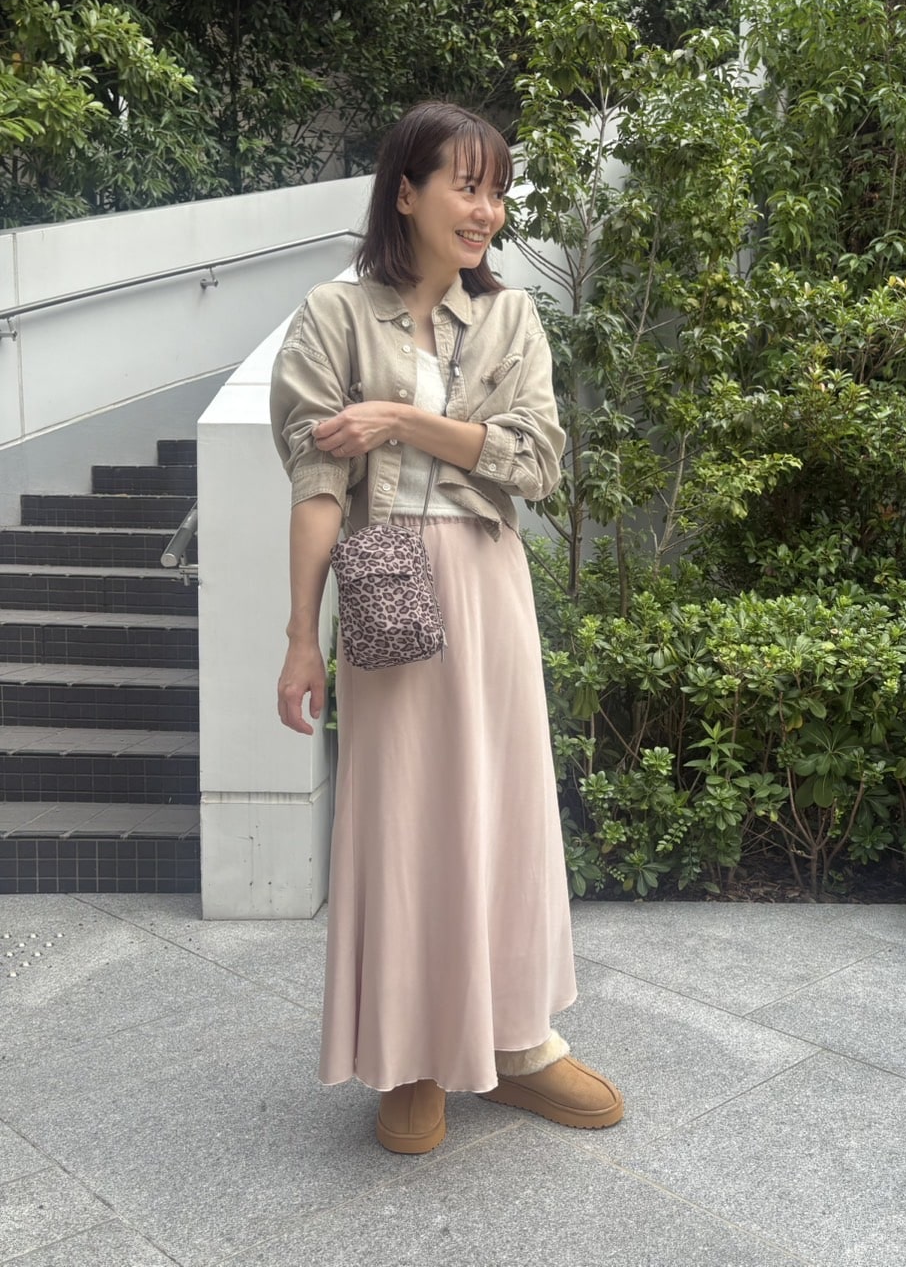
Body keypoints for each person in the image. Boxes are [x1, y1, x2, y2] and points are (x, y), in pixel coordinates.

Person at [268, 100, 624, 1154]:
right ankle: (413, 1053)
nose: (486, 210)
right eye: (466, 186)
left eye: (496, 191)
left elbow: (538, 462)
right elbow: (317, 484)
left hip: (486, 579)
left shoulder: (511, 320)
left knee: (504, 808)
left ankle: (517, 1042)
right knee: (403, 820)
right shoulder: (332, 316)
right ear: (405, 192)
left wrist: (401, 419)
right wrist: (301, 635)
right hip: (388, 584)